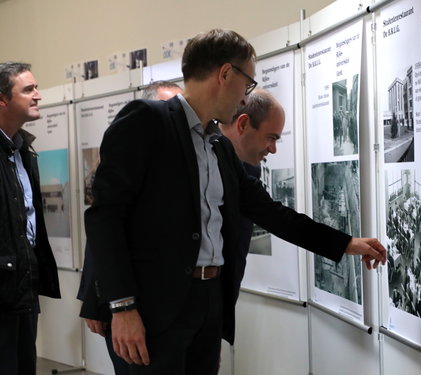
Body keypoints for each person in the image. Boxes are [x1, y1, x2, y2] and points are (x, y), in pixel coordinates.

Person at [81, 29, 386, 375]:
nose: (245, 97)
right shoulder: (147, 121)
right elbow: (105, 217)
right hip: (152, 309)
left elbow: (270, 212)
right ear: (225, 74)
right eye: (248, 84)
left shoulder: (219, 147)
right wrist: (121, 306)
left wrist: (346, 243)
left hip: (207, 303)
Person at [78, 79, 183, 375]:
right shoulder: (130, 153)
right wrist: (94, 303)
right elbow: (103, 231)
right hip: (127, 301)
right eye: (166, 106)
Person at [0, 62, 61, 375]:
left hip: (24, 286)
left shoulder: (24, 151)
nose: (38, 96)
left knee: (24, 366)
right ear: (2, 99)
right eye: (28, 90)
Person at [219, 88, 284, 302]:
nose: (273, 150)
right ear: (243, 124)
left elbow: (275, 216)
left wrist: (346, 244)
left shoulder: (247, 170)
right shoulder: (200, 162)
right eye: (271, 138)